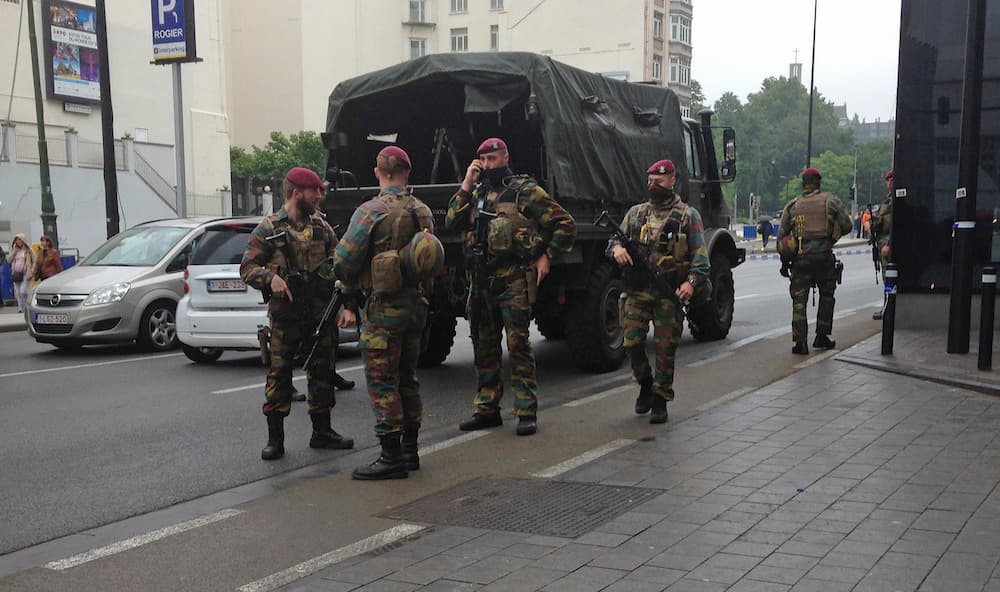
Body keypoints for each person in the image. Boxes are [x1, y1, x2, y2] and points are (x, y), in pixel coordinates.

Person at [445, 137, 576, 436]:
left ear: (505, 157)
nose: (487, 165)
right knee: (484, 346)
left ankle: (526, 410)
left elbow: (564, 223)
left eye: (492, 159)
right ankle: (487, 408)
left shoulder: (525, 191)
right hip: (480, 281)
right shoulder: (476, 193)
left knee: (518, 346)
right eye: (483, 160)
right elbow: (451, 222)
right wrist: (466, 183)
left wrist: (547, 256)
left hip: (512, 279)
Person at [333, 146, 439, 480]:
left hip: (383, 308)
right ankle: (410, 451)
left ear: (377, 171)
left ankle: (391, 456)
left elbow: (344, 260)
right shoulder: (423, 210)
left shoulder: (371, 210)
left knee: (382, 381)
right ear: (407, 172)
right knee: (408, 376)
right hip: (416, 306)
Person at [240, 167, 354, 460]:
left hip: (319, 313)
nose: (318, 196)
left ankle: (322, 432)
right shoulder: (269, 229)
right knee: (279, 376)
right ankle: (275, 440)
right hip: (285, 316)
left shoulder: (322, 227)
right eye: (313, 191)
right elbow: (247, 268)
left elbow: (341, 262)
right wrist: (271, 279)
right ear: (295, 192)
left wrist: (347, 303)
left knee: (323, 372)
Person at [608, 159, 710, 424]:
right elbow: (614, 241)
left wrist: (690, 283)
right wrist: (617, 249)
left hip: (669, 293)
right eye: (651, 180)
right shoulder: (636, 213)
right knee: (631, 343)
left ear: (672, 180)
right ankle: (645, 382)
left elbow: (701, 259)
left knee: (665, 348)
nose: (654, 185)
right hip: (638, 291)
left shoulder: (688, 216)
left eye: (660, 181)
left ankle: (661, 398)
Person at [776, 167, 852, 355]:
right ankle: (822, 336)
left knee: (799, 301)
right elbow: (847, 225)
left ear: (803, 184)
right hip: (823, 259)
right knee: (826, 296)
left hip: (800, 260)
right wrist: (832, 236)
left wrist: (784, 264)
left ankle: (800, 342)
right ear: (818, 183)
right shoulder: (831, 201)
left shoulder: (792, 206)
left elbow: (782, 238)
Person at [871, 170, 894, 320]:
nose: (888, 184)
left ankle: (890, 309)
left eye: (889, 181)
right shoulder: (889, 200)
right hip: (883, 243)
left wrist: (890, 244)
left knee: (890, 278)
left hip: (888, 244)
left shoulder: (897, 199)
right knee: (887, 278)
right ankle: (888, 307)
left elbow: (899, 223)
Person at [9, 234, 35, 313]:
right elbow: (9, 260)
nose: (18, 241)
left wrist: (31, 269)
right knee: (18, 292)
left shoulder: (28, 250)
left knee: (23, 291)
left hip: (25, 273)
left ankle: (28, 305)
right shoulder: (14, 250)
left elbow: (35, 259)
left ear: (23, 240)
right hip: (16, 273)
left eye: (20, 240)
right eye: (17, 240)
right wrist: (14, 252)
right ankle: (21, 308)